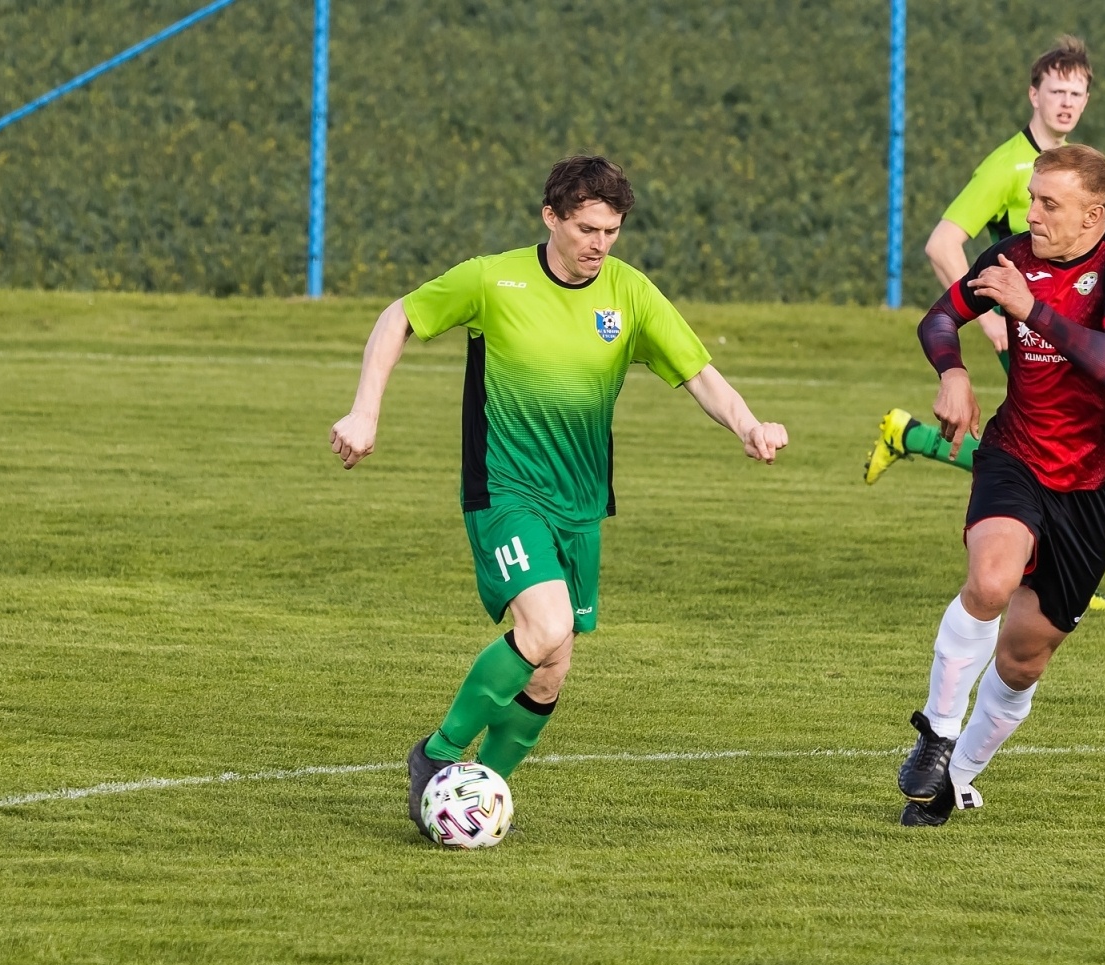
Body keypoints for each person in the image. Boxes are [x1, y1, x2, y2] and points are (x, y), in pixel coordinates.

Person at [327, 156, 789, 839]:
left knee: (551, 669)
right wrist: (365, 412)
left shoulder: (630, 294)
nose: (600, 243)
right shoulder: (494, 279)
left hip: (580, 505)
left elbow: (700, 374)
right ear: (551, 217)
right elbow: (399, 316)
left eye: (612, 230)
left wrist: (748, 424)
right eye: (586, 228)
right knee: (545, 626)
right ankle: (438, 754)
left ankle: (478, 792)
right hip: (504, 490)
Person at [894, 144, 1105, 826]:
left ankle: (955, 780)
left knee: (1022, 660)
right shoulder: (1011, 258)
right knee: (990, 582)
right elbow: (938, 318)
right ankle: (937, 732)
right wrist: (953, 373)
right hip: (1016, 455)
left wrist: (1032, 309)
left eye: (1049, 203)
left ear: (1094, 214)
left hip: (1095, 484)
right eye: (1032, 198)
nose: (1032, 214)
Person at [866, 36, 1105, 611]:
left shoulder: (1069, 165)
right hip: (1031, 329)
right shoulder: (1009, 164)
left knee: (1055, 444)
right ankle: (1062, 571)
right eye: (1056, 91)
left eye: (1077, 93)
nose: (1066, 103)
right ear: (1034, 94)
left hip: (1057, 326)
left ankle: (909, 435)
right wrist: (989, 315)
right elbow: (942, 243)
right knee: (1037, 449)